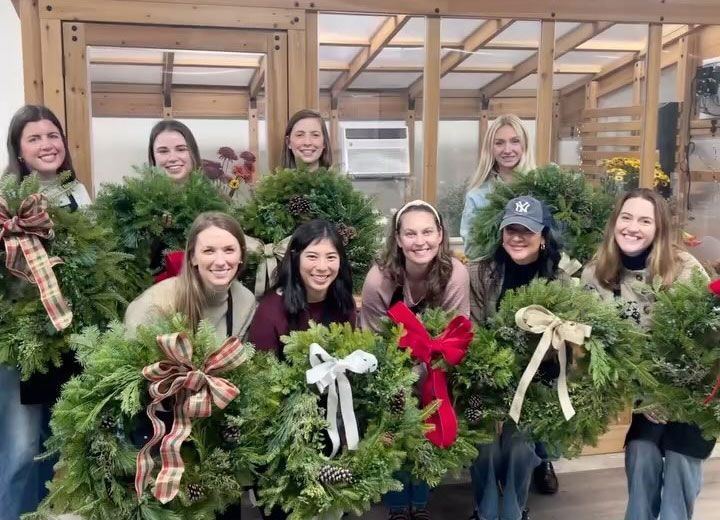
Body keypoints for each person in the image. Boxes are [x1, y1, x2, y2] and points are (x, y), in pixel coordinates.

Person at [581, 189, 712, 520]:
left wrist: (669, 398)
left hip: (692, 390)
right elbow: (601, 346)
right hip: (645, 392)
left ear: (659, 229)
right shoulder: (596, 274)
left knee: (681, 458)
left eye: (644, 220)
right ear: (615, 223)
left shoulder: (684, 270)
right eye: (626, 218)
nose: (632, 227)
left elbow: (704, 343)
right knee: (641, 453)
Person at [0, 104, 92, 520]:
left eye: (52, 135)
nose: (46, 145)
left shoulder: (78, 193)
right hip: (21, 345)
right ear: (19, 150)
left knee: (59, 446)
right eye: (34, 138)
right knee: (21, 450)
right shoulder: (5, 198)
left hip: (68, 338)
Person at [360, 199, 469, 520]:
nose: (419, 241)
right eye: (410, 234)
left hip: (436, 365)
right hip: (390, 366)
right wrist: (398, 379)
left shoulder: (455, 274)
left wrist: (428, 370)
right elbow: (372, 340)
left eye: (427, 232)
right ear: (397, 238)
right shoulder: (378, 280)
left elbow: (455, 332)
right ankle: (396, 504)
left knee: (427, 424)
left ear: (440, 235)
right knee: (395, 425)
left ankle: (420, 503)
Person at [467, 196, 565, 520]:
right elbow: (475, 331)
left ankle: (514, 509)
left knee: (520, 445)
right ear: (501, 232)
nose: (517, 237)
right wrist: (491, 374)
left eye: (527, 230)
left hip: (536, 384)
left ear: (543, 236)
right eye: (511, 229)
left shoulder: (558, 283)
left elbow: (561, 349)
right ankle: (486, 509)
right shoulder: (481, 273)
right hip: (488, 379)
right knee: (485, 445)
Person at [124, 211, 256, 340]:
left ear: (241, 255)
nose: (220, 262)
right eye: (209, 251)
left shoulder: (244, 302)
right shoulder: (153, 305)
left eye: (229, 250)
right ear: (193, 257)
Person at [249, 219, 356, 358]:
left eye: (331, 257)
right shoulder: (270, 311)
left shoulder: (344, 302)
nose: (322, 267)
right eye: (312, 256)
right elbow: (261, 370)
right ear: (295, 258)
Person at [460, 114, 535, 254]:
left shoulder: (540, 188)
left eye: (515, 141)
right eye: (499, 143)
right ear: (490, 148)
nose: (507, 150)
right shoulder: (477, 195)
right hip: (492, 272)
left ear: (525, 144)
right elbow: (471, 248)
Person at [147, 119, 202, 183]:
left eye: (181, 149)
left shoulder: (212, 192)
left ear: (193, 153)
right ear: (153, 156)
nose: (172, 158)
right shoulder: (137, 192)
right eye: (163, 151)